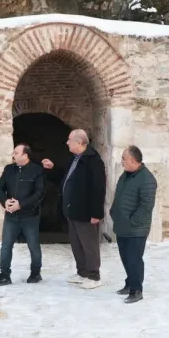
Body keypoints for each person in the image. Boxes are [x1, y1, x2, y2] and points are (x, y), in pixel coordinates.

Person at [41, 129, 105, 289]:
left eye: (70, 140)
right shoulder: (74, 159)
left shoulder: (93, 161)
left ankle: (94, 276)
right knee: (77, 244)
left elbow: (98, 188)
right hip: (72, 210)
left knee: (89, 245)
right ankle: (82, 272)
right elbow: (65, 177)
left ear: (79, 142)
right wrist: (52, 168)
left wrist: (96, 213)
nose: (67, 142)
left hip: (85, 211)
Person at [0, 144, 45, 286]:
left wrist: (21, 204)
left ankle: (35, 273)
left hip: (30, 216)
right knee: (6, 246)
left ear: (25, 155)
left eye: (16, 152)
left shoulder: (37, 170)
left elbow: (39, 193)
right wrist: (5, 201)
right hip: (11, 216)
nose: (13, 155)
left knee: (33, 246)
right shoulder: (9, 169)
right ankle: (4, 275)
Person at [111, 145, 157, 304]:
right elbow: (118, 196)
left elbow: (146, 206)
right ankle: (129, 283)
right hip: (122, 225)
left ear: (133, 160)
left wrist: (133, 222)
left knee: (134, 259)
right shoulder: (125, 176)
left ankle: (136, 290)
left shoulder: (146, 179)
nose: (122, 161)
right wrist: (113, 212)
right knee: (125, 257)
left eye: (124, 158)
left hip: (136, 228)